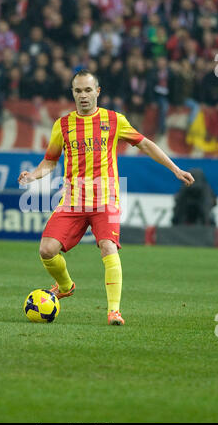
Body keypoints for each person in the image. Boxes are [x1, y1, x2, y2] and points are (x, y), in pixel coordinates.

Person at [18, 69, 195, 326]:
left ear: (98, 92)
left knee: (108, 247)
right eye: (78, 91)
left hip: (105, 200)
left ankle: (114, 311)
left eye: (88, 90)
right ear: (73, 93)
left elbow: (145, 144)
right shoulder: (63, 125)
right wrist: (34, 176)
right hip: (73, 200)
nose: (83, 96)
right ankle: (65, 286)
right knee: (46, 250)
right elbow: (49, 162)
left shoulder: (114, 120)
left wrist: (176, 169)